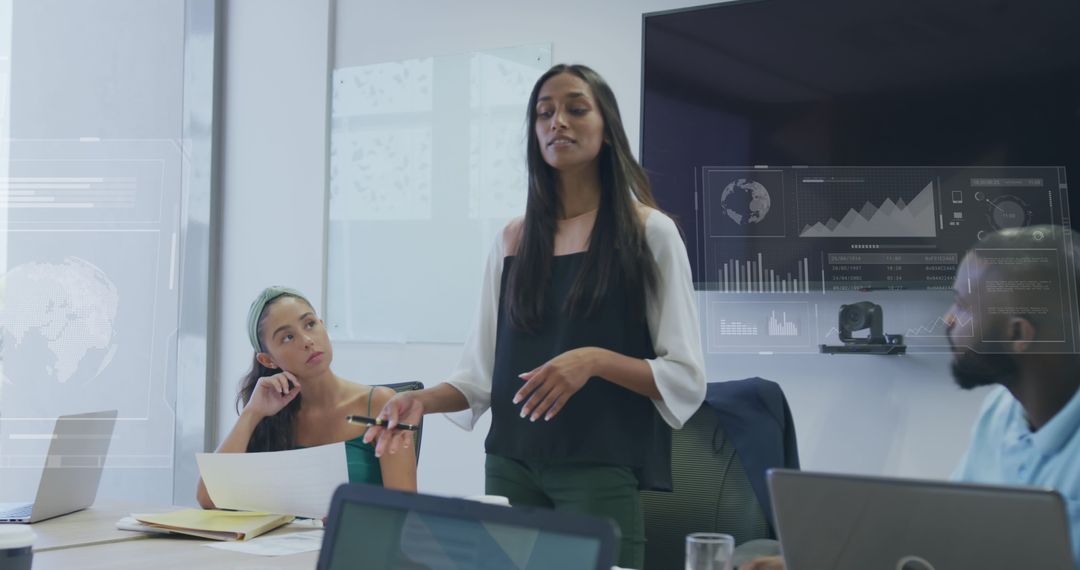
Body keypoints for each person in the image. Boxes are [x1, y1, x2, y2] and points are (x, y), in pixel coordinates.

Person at [364, 63, 706, 568]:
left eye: (575, 108)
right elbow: (480, 378)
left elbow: (684, 376)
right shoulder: (512, 240)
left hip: (598, 468)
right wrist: (419, 401)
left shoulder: (649, 233)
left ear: (607, 128)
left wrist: (592, 360)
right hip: (509, 468)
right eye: (544, 113)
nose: (557, 122)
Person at [743, 224, 1080, 570]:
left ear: (1018, 334)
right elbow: (951, 537)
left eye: (963, 306)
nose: (949, 319)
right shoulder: (1002, 412)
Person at [196, 286, 416, 509]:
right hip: (281, 543)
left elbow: (404, 512)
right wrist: (252, 414)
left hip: (355, 541)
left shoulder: (381, 404)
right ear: (267, 360)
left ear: (322, 325)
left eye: (310, 324)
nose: (307, 341)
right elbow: (208, 498)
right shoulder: (268, 417)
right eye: (288, 337)